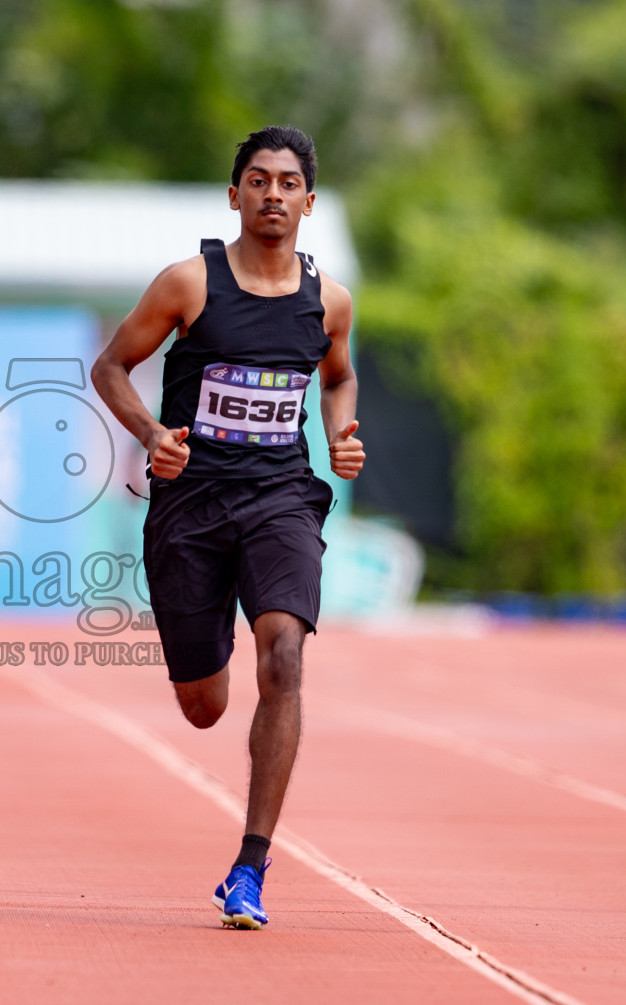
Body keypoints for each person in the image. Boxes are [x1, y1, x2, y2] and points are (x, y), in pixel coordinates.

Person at [91, 126, 366, 929]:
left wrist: (340, 432)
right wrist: (152, 436)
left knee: (283, 654)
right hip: (189, 509)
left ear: (308, 203)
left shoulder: (331, 299)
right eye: (258, 180)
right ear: (235, 194)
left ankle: (250, 866)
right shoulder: (189, 283)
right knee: (204, 705)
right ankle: (199, 652)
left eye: (288, 183)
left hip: (281, 498)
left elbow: (339, 376)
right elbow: (111, 365)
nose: (273, 194)